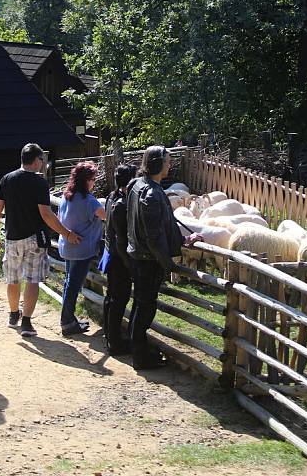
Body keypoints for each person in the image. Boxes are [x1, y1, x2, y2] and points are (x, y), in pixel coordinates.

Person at [0, 142, 81, 338]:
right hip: (34, 239)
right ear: (37, 160)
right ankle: (26, 323)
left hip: (12, 237)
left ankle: (14, 314)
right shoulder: (39, 183)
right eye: (42, 160)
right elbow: (46, 215)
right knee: (32, 281)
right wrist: (66, 234)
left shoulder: (7, 179)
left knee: (12, 279)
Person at [126, 146, 201, 370]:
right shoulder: (151, 193)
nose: (170, 165)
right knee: (146, 305)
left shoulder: (137, 185)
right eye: (167, 161)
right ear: (158, 163)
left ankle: (138, 349)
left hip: (138, 255)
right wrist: (166, 262)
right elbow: (154, 235)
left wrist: (181, 241)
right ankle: (140, 356)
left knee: (141, 303)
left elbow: (161, 226)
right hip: (148, 260)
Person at [57, 161, 106, 336]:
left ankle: (68, 319)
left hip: (67, 247)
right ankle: (67, 322)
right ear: (85, 180)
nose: (94, 182)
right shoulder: (90, 201)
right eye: (92, 179)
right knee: (73, 284)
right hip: (82, 250)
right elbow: (106, 216)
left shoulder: (66, 196)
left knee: (69, 282)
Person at [102, 162, 137, 355]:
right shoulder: (121, 204)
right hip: (119, 259)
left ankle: (110, 336)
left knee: (111, 298)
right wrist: (129, 263)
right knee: (119, 300)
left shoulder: (111, 197)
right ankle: (115, 343)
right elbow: (121, 238)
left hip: (111, 255)